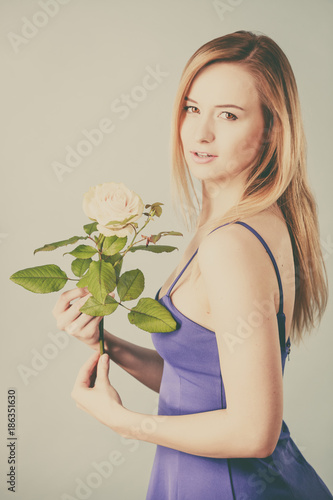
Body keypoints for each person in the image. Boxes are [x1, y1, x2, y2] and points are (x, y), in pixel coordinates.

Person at [52, 31, 332, 499]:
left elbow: (252, 432)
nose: (200, 133)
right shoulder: (244, 219)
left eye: (228, 115)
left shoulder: (232, 243)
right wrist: (108, 343)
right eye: (192, 108)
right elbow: (206, 383)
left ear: (273, 128)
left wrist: (124, 422)